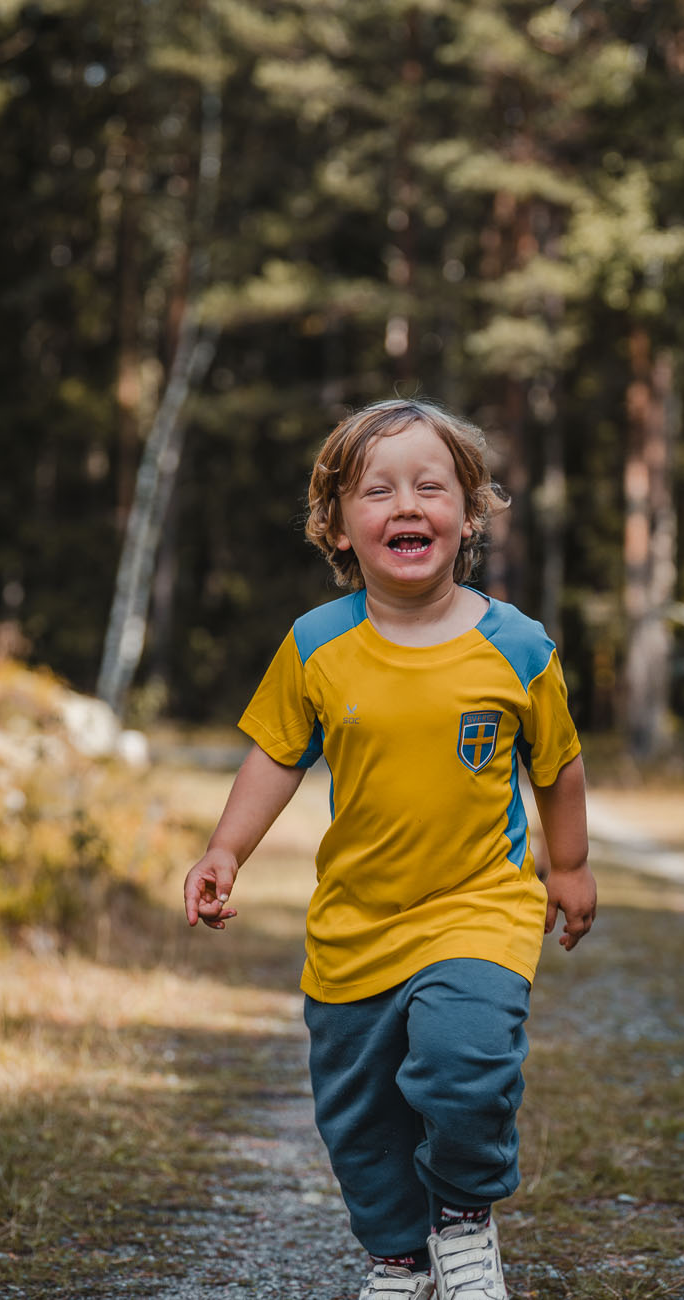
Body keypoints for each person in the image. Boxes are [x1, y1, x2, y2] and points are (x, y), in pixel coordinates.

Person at [182, 398, 595, 1300]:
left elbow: (558, 765)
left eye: (430, 487)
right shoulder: (318, 645)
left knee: (466, 1067)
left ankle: (461, 1223)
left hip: (479, 907)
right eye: (378, 491)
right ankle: (400, 1258)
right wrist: (225, 851)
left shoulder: (518, 648)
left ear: (470, 513)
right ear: (336, 524)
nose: (406, 506)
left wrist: (566, 868)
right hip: (356, 925)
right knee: (361, 1119)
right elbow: (275, 756)